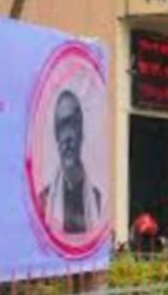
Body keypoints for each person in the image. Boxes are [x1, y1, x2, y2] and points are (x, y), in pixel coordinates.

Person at [39, 90, 102, 235]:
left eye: (72, 124)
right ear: (56, 136)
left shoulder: (97, 199)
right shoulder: (44, 201)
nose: (67, 137)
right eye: (62, 126)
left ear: (81, 131)